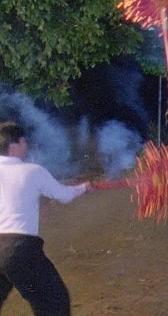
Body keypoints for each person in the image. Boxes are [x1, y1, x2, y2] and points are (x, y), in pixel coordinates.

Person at [0, 122, 90, 315]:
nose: (26, 146)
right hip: (20, 250)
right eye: (24, 142)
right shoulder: (32, 170)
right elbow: (64, 195)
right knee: (55, 304)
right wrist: (83, 188)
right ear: (13, 146)